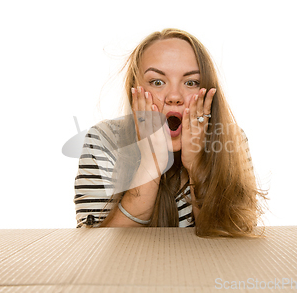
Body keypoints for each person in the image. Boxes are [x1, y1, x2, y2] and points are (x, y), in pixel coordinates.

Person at [74, 28, 268, 237]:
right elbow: (93, 250)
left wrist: (197, 166)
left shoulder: (231, 139)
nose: (174, 96)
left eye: (191, 83)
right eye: (157, 82)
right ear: (134, 90)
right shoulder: (103, 141)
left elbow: (236, 246)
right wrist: (150, 165)